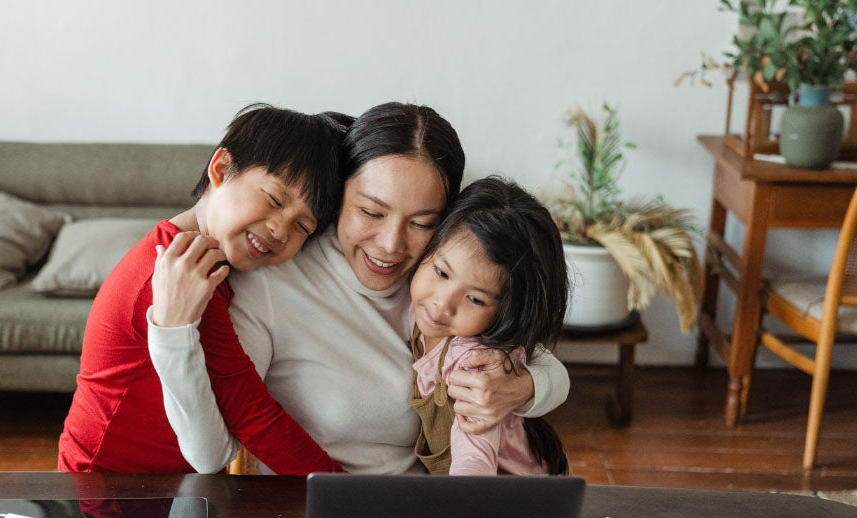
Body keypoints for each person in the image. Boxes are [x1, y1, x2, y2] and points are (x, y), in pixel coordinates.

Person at [149, 102, 571, 474]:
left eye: (422, 223)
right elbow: (212, 452)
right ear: (337, 197)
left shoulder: (437, 282)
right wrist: (171, 333)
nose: (390, 246)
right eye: (370, 212)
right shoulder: (271, 282)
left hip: (426, 516)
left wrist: (523, 388)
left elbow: (542, 360)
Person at [58, 104, 349, 474]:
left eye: (302, 227)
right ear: (221, 169)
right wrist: (345, 496)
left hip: (160, 487)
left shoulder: (213, 262)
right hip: (105, 490)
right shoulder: (180, 272)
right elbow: (250, 417)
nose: (280, 229)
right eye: (274, 200)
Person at [407, 176, 570, 476]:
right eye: (442, 272)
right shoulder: (415, 312)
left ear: (506, 312)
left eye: (475, 299)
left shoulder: (474, 360)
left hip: (521, 499)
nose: (442, 304)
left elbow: (475, 459)